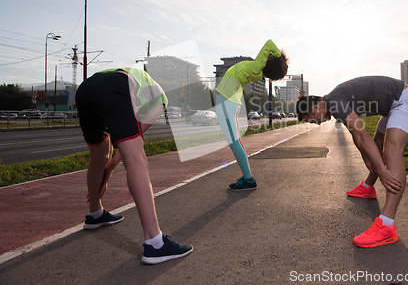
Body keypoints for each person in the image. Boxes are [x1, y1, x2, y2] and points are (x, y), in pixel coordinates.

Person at [75, 67, 193, 264]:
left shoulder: (136, 79)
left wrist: (111, 164)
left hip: (85, 88)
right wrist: (116, 163)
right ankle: (155, 243)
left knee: (98, 158)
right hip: (114, 84)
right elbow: (136, 135)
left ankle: (95, 213)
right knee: (137, 159)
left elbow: (111, 152)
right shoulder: (161, 97)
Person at [296, 76, 408, 248]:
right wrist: (366, 157)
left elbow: (362, 133)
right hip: (392, 106)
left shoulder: (334, 102)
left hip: (403, 101)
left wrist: (382, 170)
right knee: (376, 146)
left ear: (316, 106)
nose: (316, 123)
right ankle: (368, 188)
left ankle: (386, 225)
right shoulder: (334, 101)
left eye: (312, 119)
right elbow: (355, 134)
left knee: (391, 152)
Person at [216, 39, 288, 191]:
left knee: (234, 143)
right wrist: (279, 60)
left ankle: (248, 179)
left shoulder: (256, 67)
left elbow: (269, 43)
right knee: (236, 142)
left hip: (227, 101)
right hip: (230, 100)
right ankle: (247, 177)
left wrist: (279, 57)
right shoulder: (257, 70)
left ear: (269, 61)